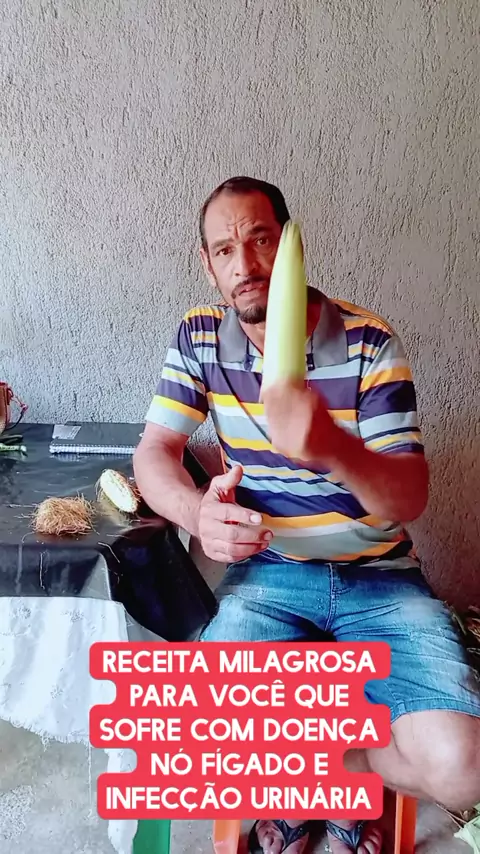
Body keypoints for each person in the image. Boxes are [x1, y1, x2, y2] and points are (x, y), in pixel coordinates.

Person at [133, 177, 480, 854]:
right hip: (269, 574)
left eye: (260, 240)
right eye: (224, 249)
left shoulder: (368, 341)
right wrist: (196, 514)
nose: (244, 264)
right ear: (208, 263)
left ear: (291, 244)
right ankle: (328, 794)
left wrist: (330, 445)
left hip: (381, 580)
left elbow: (408, 498)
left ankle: (328, 776)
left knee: (462, 767)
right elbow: (156, 451)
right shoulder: (200, 336)